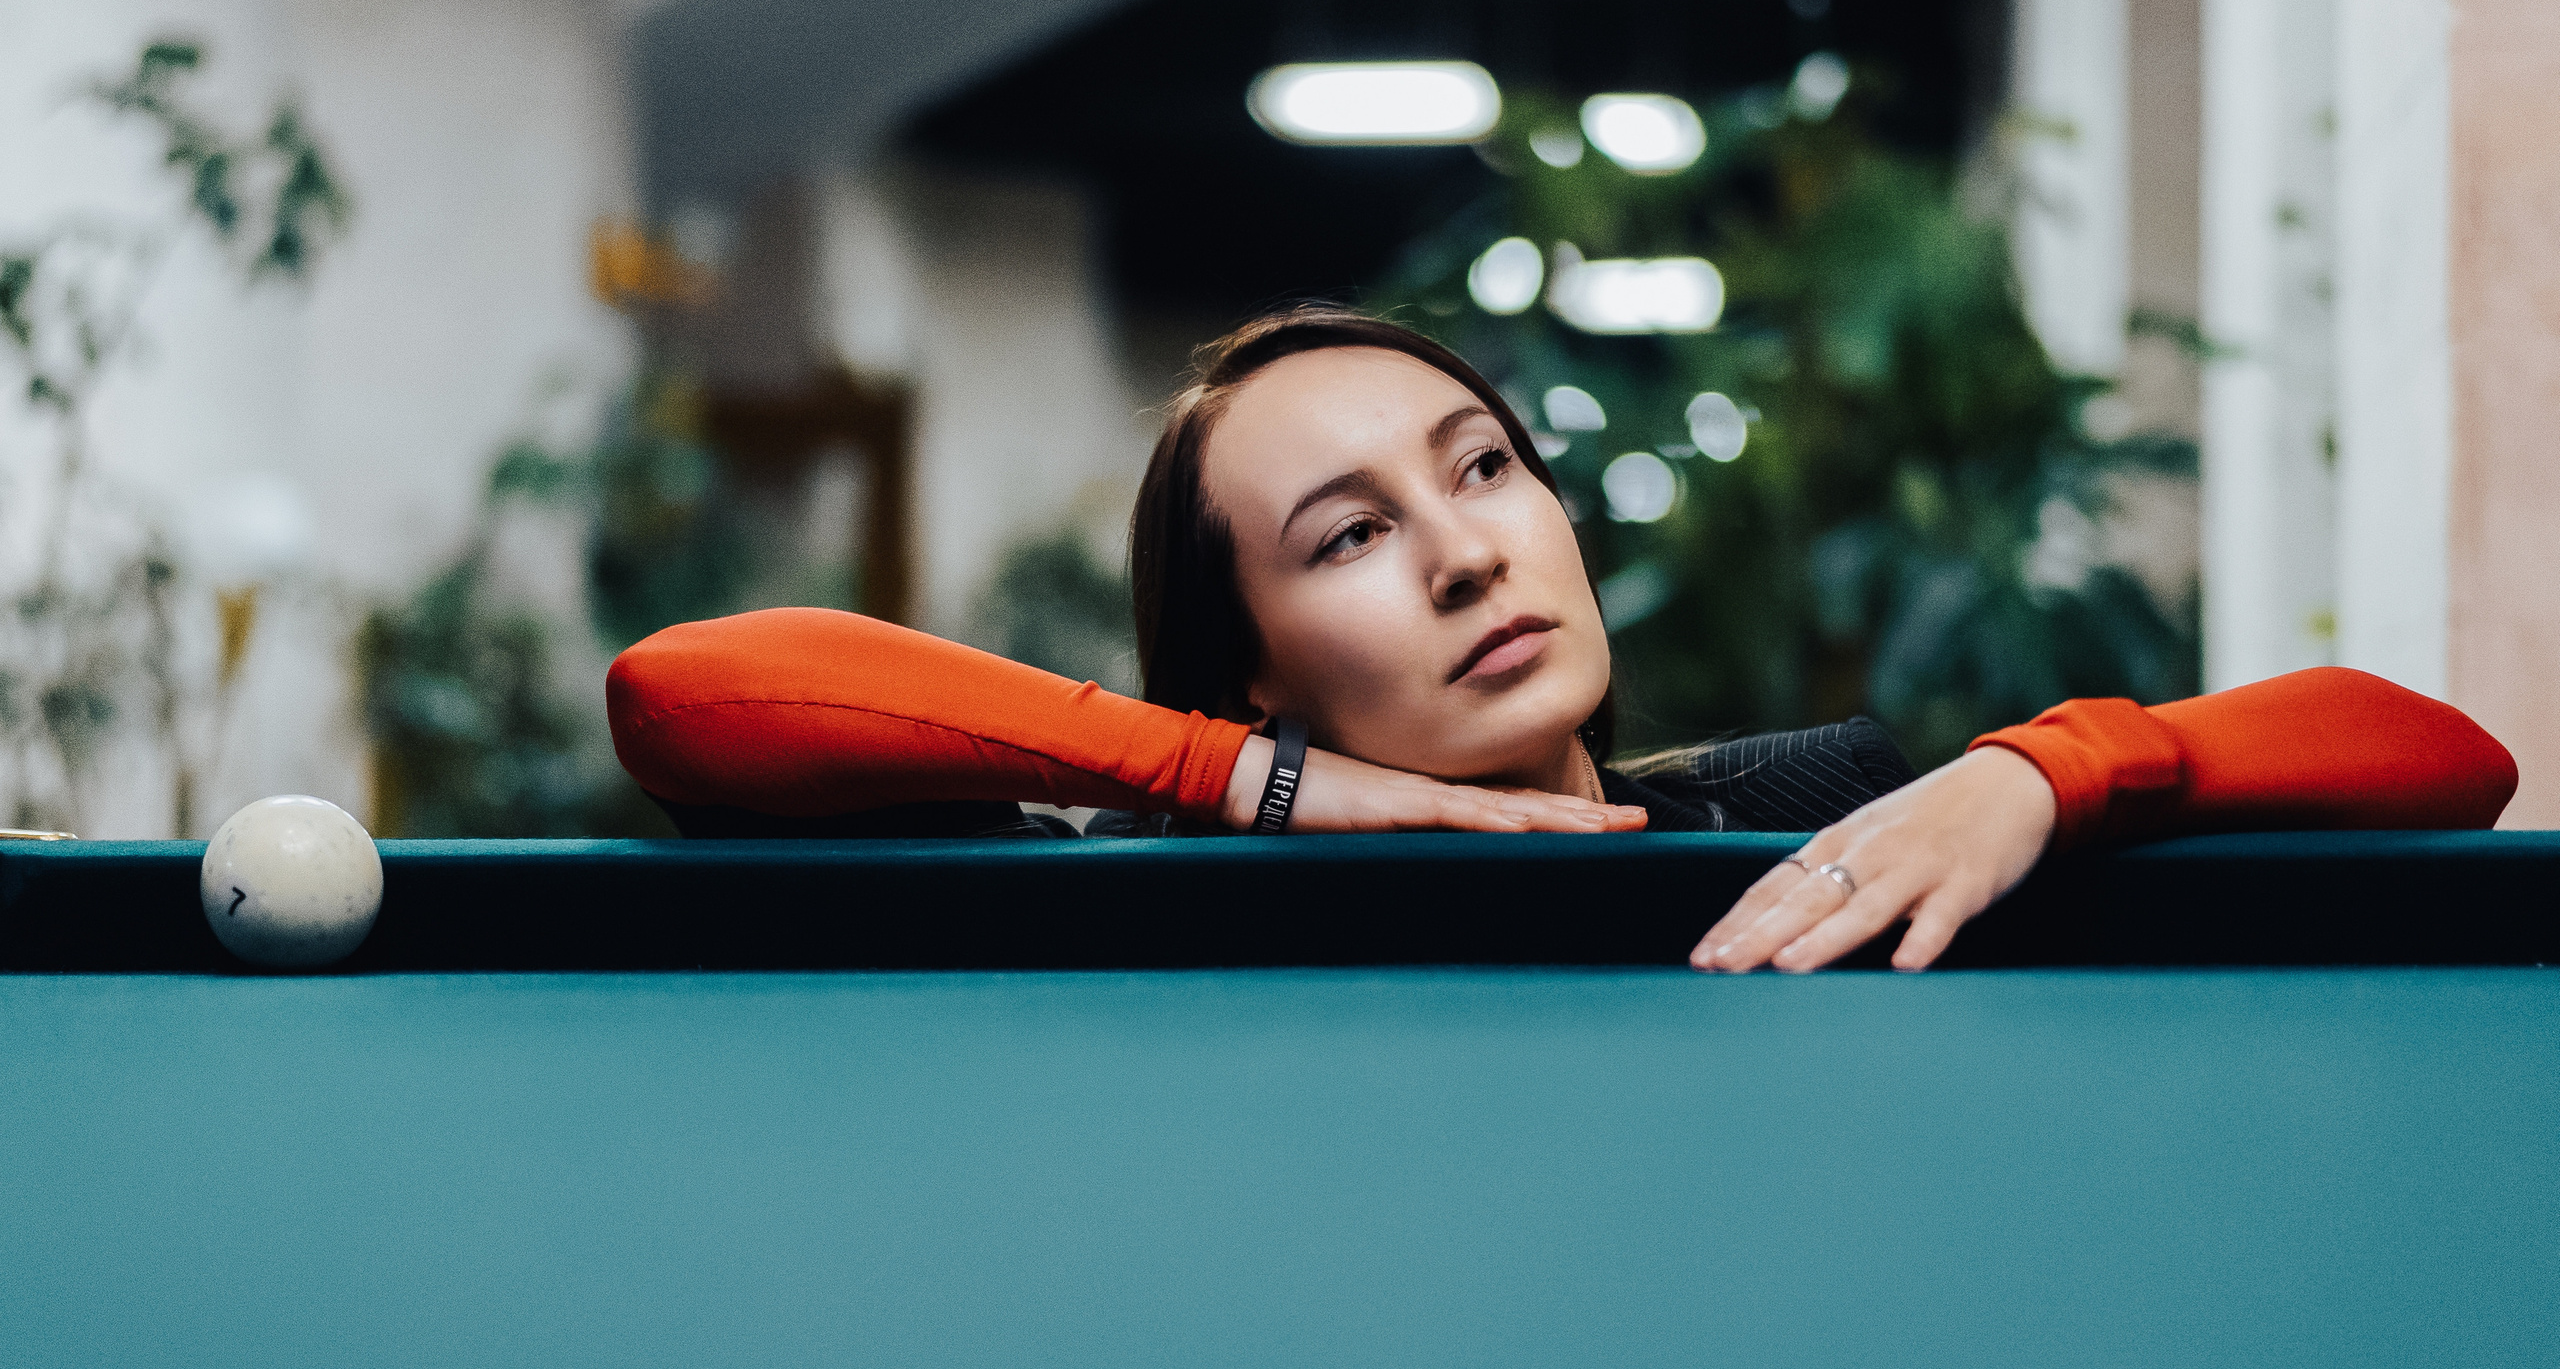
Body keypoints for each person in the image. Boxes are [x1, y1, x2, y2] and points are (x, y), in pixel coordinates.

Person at [607, 306, 2516, 973]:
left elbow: (2447, 757)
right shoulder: (1150, 894)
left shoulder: (1823, 822)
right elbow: (682, 700)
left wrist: (2046, 769)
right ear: (1249, 660)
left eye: (1487, 472)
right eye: (1348, 534)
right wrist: (1237, 782)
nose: (1463, 555)